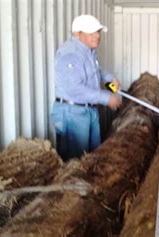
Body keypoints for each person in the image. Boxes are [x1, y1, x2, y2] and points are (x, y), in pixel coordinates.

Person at [52, 14, 122, 161]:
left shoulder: (88, 51)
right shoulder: (70, 54)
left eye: (98, 32)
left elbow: (95, 73)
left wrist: (110, 79)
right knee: (75, 163)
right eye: (92, 33)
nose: (97, 36)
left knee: (91, 160)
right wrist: (106, 97)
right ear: (77, 34)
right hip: (73, 113)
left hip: (88, 110)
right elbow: (75, 89)